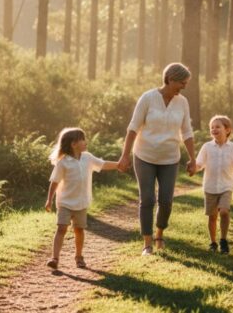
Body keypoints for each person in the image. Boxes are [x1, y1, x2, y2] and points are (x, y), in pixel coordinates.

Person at [117, 63, 197, 256]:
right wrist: (125, 155)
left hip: (170, 158)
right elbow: (133, 128)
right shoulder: (148, 98)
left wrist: (193, 158)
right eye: (181, 82)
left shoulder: (182, 102)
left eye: (186, 83)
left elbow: (186, 131)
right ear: (170, 79)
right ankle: (147, 243)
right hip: (144, 156)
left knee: (166, 200)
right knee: (147, 199)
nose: (184, 87)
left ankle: (159, 234)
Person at [45, 127, 120, 269]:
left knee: (79, 229)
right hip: (65, 202)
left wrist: (118, 165)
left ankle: (79, 257)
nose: (86, 142)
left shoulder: (88, 158)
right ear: (74, 144)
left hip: (81, 202)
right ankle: (54, 258)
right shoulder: (63, 162)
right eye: (83, 140)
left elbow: (102, 164)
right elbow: (54, 182)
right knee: (61, 228)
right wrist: (49, 200)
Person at [195, 115, 233, 254]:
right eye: (212, 127)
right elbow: (199, 164)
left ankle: (223, 240)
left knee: (223, 211)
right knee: (212, 217)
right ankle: (213, 242)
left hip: (226, 186)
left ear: (227, 129)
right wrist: (193, 168)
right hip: (210, 187)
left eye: (218, 127)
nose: (214, 129)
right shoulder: (206, 147)